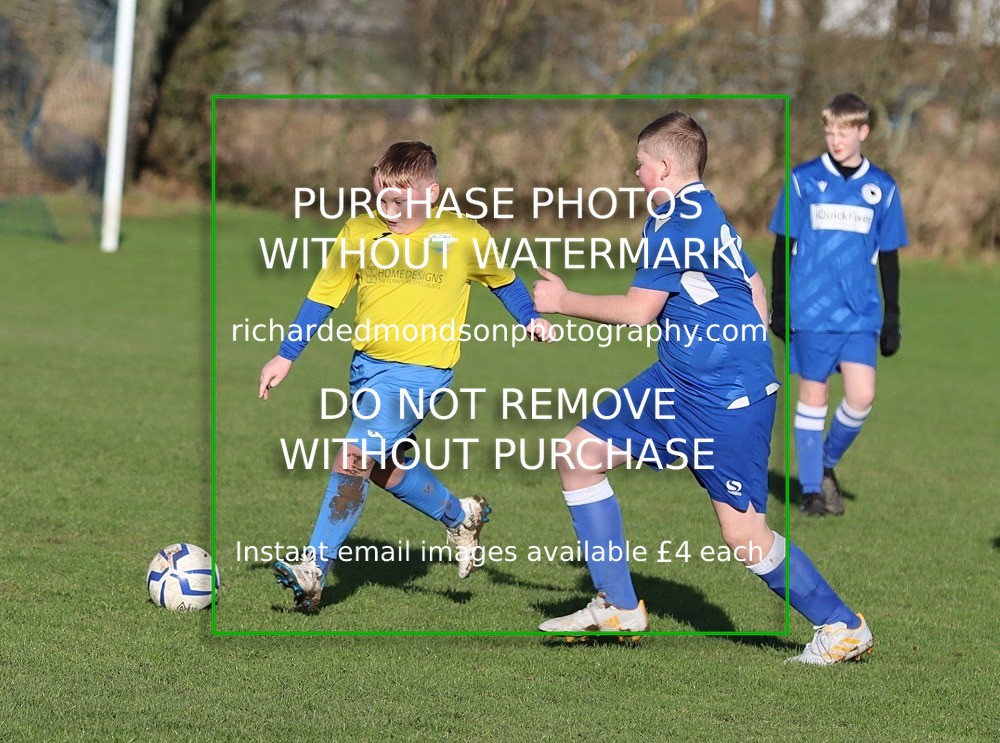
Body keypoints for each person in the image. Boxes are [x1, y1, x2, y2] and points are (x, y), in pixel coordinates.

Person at [532, 112, 873, 664]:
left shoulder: (674, 223)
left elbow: (640, 313)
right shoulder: (705, 208)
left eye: (640, 165)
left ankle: (842, 626)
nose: (635, 173)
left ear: (664, 166)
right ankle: (620, 606)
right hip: (682, 384)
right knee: (578, 453)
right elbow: (755, 290)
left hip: (721, 402)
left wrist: (563, 302)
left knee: (746, 538)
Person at [259, 141, 552, 613]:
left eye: (399, 199)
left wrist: (531, 319)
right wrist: (285, 354)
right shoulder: (360, 231)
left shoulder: (463, 236)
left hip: (420, 376)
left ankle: (315, 568)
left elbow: (505, 282)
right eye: (381, 196)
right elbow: (323, 295)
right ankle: (461, 515)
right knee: (382, 468)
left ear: (431, 193)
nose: (388, 208)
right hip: (366, 370)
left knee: (353, 455)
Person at [769, 93, 907, 516]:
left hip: (860, 312)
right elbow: (782, 245)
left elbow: (888, 255)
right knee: (814, 394)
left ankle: (825, 462)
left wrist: (893, 315)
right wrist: (780, 301)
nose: (835, 139)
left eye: (844, 131)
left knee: (862, 397)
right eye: (829, 131)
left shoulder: (881, 188)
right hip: (810, 309)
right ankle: (811, 490)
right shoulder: (803, 180)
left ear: (863, 131)